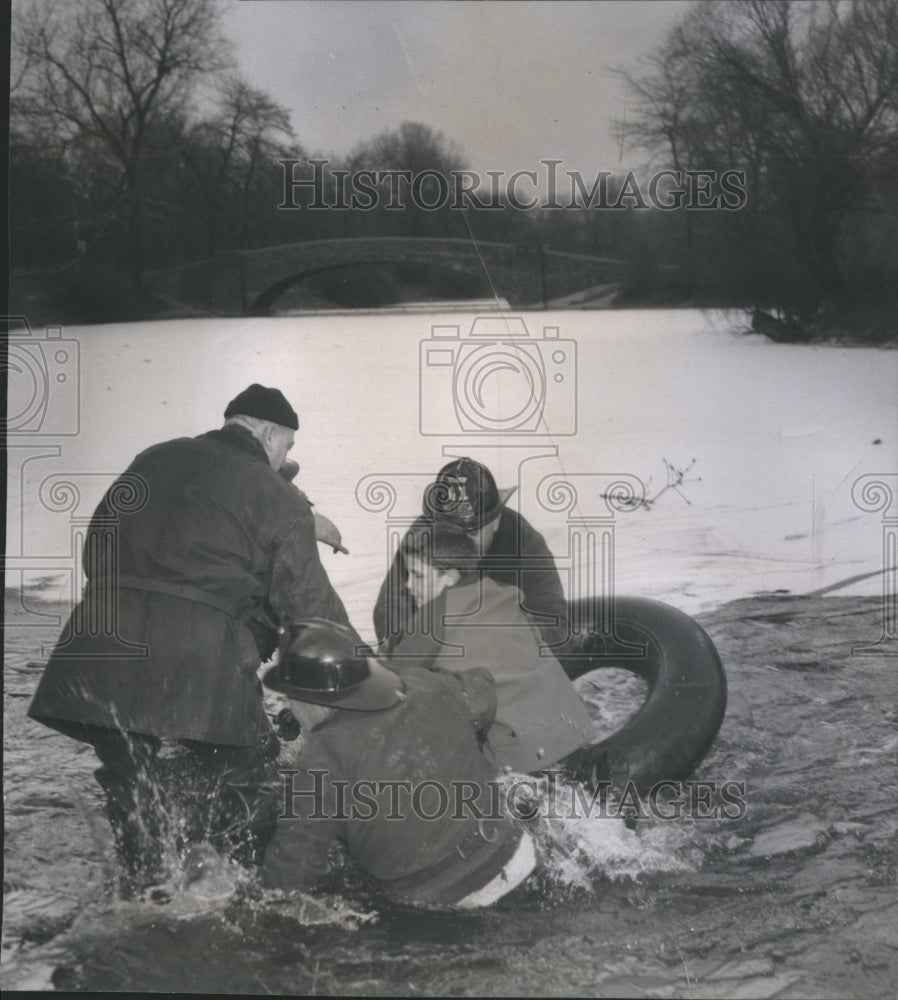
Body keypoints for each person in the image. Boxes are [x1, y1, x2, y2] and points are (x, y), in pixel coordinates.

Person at [28, 384, 352, 885]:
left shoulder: (154, 457)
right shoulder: (279, 498)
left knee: (129, 779)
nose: (286, 457)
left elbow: (97, 545)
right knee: (249, 771)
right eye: (288, 447)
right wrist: (369, 674)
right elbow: (315, 615)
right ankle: (239, 891)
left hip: (97, 646)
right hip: (198, 658)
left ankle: (143, 886)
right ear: (268, 434)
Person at [259, 619, 536, 908]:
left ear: (307, 700)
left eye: (290, 699)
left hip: (448, 901)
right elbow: (483, 691)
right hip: (514, 852)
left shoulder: (319, 761)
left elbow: (291, 875)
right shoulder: (426, 683)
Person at [389, 519, 595, 776]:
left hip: (524, 760)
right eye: (408, 575)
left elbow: (391, 683)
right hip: (574, 732)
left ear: (450, 577)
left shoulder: (432, 617)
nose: (408, 585)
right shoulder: (504, 592)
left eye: (418, 576)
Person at [373, 458, 570, 653]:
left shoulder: (524, 541)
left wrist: (498, 640)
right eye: (449, 533)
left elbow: (554, 619)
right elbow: (390, 606)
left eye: (472, 532)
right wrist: (417, 642)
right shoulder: (423, 536)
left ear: (496, 520)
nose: (461, 543)